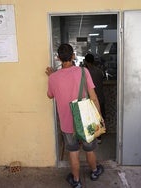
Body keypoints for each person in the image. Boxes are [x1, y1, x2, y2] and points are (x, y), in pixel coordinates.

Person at [45, 44, 105, 188]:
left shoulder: (53, 77)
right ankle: (95, 171)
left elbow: (50, 95)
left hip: (67, 123)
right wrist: (99, 118)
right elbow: (94, 97)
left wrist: (53, 76)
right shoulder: (84, 72)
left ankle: (76, 181)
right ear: (73, 56)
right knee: (89, 149)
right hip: (86, 120)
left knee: (73, 152)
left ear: (58, 58)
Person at [84, 53, 106, 144]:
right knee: (99, 118)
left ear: (85, 61)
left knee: (90, 119)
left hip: (89, 99)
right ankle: (99, 137)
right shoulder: (99, 71)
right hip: (100, 97)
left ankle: (91, 137)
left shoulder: (85, 72)